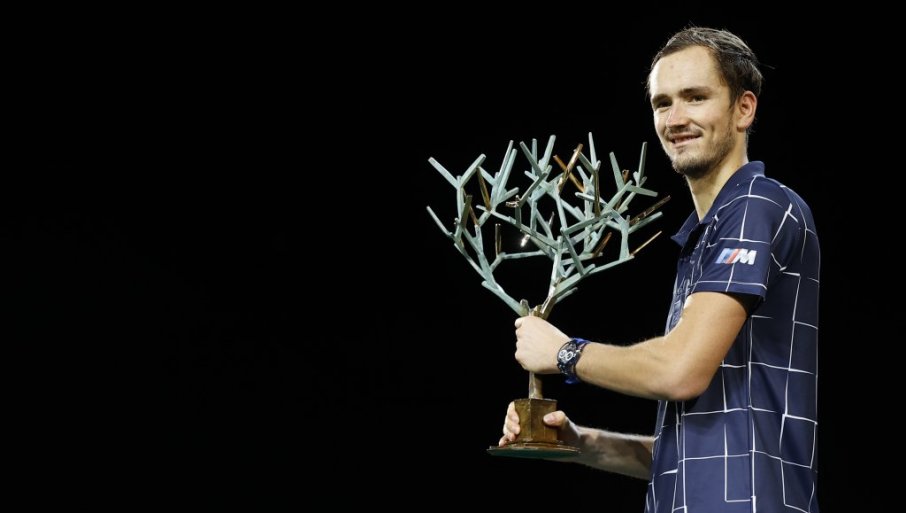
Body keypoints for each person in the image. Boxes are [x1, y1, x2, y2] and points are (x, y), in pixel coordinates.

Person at [498, 26, 820, 512]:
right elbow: (689, 457)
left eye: (695, 97)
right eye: (662, 103)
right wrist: (580, 441)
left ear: (744, 109)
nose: (676, 118)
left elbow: (679, 371)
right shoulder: (705, 236)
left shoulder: (757, 204)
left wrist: (564, 353)